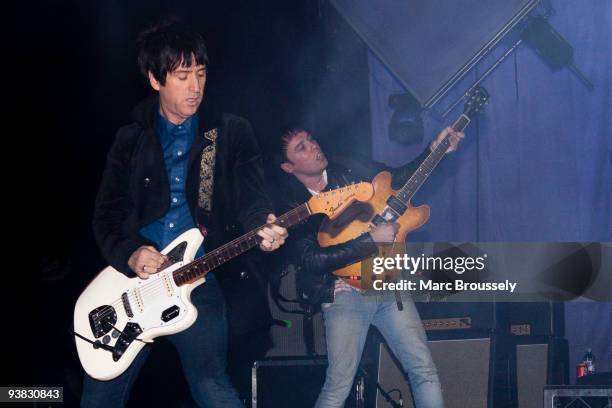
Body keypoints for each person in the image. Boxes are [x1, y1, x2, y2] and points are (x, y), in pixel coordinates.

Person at [83, 21, 287, 408]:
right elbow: (105, 216)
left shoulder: (229, 132)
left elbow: (252, 199)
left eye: (201, 73)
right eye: (182, 76)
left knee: (212, 384)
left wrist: (265, 224)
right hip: (131, 287)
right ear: (155, 79)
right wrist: (131, 252)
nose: (196, 87)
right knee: (100, 394)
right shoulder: (130, 139)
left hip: (196, 277)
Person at [275, 127, 464, 408]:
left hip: (389, 284)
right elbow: (311, 260)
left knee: (424, 371)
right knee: (338, 384)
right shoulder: (294, 206)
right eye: (302, 147)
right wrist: (370, 241)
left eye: (312, 139)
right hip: (345, 293)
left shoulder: (349, 165)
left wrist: (433, 150)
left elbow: (396, 179)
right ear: (289, 167)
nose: (314, 146)